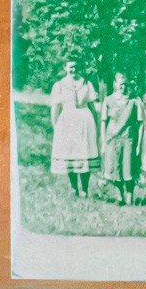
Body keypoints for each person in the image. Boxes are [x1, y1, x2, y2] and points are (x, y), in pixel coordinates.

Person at [47, 60, 99, 196]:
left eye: (76, 66)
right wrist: (56, 126)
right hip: (67, 122)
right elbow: (55, 108)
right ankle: (74, 188)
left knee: (85, 154)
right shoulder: (59, 85)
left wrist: (96, 125)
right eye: (71, 67)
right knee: (70, 155)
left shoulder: (86, 83)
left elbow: (92, 107)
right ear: (65, 67)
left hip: (85, 120)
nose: (73, 69)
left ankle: (85, 189)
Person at [98, 72, 141, 203]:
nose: (123, 87)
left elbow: (140, 123)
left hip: (129, 137)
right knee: (115, 166)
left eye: (126, 84)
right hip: (113, 137)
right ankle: (119, 194)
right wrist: (103, 142)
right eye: (121, 84)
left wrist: (139, 144)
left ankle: (129, 195)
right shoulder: (108, 100)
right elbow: (103, 122)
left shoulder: (134, 100)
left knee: (129, 166)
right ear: (115, 84)